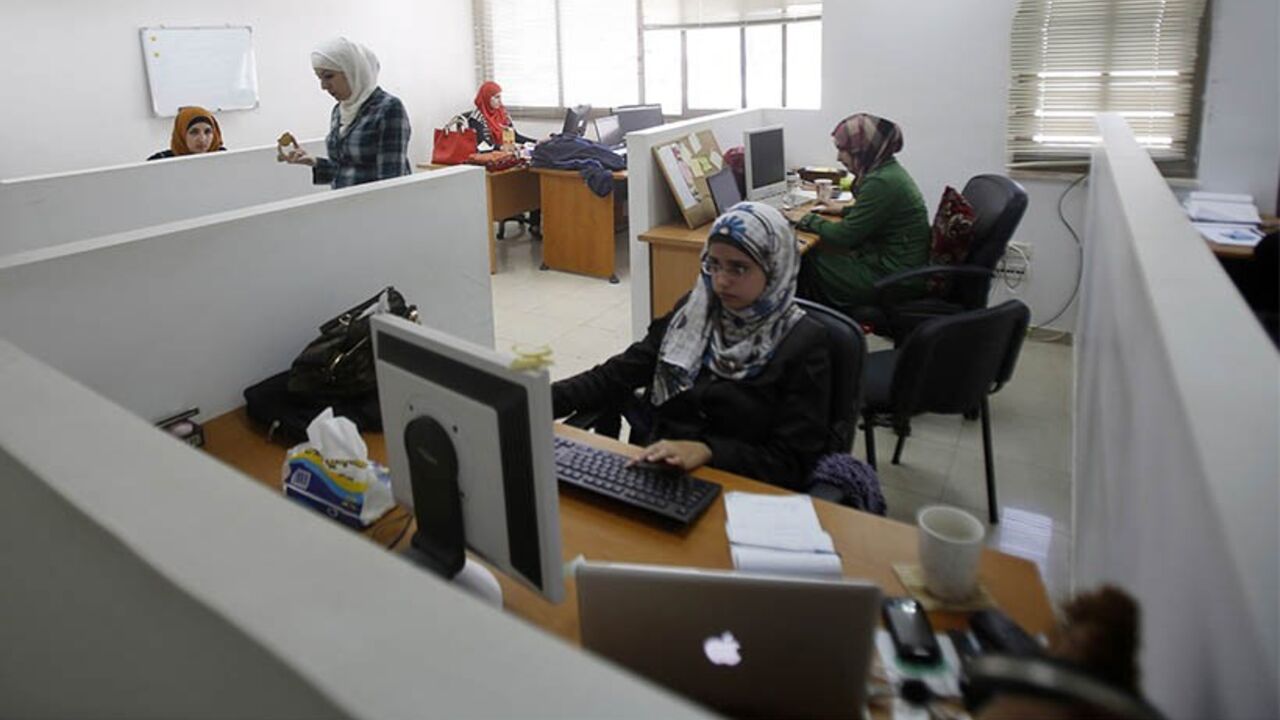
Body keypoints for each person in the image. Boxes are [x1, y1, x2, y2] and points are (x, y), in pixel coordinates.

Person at [552, 202, 832, 490]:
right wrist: (540, 400)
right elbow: (618, 374)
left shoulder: (803, 344)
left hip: (741, 492)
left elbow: (793, 462)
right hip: (657, 474)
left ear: (775, 269)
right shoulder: (693, 313)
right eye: (713, 264)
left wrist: (709, 450)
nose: (721, 281)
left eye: (739, 268)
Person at [794, 113, 931, 314]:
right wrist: (843, 209)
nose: (838, 158)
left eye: (843, 150)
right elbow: (877, 213)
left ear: (864, 150)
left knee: (806, 258)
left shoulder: (882, 182)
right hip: (895, 266)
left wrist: (804, 218)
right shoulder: (887, 171)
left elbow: (844, 237)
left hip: (895, 279)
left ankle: (822, 326)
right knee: (823, 250)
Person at [282, 37, 411, 189]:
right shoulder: (339, 110)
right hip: (343, 205)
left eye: (329, 76)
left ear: (352, 70)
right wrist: (313, 161)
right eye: (319, 78)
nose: (323, 86)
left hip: (373, 206)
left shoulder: (388, 108)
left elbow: (391, 181)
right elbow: (343, 169)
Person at [464, 81, 533, 150]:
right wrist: (501, 147)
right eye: (497, 97)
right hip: (489, 155)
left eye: (500, 97)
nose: (500, 101)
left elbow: (514, 136)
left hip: (505, 151)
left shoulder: (502, 113)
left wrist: (535, 142)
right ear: (487, 98)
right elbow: (483, 143)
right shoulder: (477, 117)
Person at [147, 106, 225, 160]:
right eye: (194, 132)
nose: (202, 139)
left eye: (207, 132)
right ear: (181, 134)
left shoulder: (224, 157)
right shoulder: (160, 162)